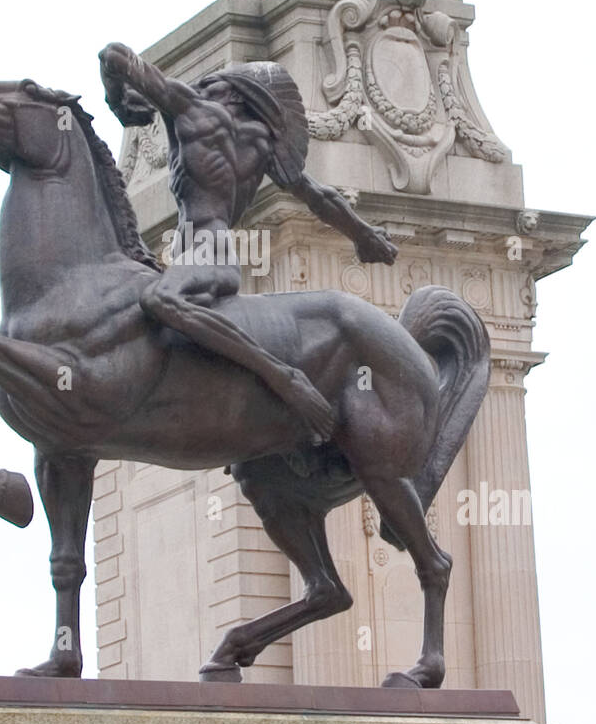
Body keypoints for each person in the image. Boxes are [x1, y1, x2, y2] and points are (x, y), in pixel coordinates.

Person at [100, 42, 398, 440]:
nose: (203, 86)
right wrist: (363, 235)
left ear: (235, 95)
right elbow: (319, 197)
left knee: (159, 300)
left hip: (202, 251)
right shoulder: (263, 145)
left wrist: (116, 99)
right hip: (217, 254)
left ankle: (282, 377)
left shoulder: (193, 111)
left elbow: (114, 55)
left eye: (213, 83)